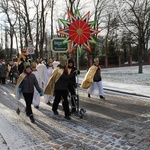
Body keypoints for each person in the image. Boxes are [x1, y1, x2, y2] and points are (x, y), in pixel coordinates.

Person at [44, 55, 79, 120]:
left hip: (64, 88)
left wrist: (75, 72)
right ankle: (54, 109)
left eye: (66, 61)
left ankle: (67, 114)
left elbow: (70, 72)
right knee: (57, 100)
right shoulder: (58, 70)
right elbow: (66, 77)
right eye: (64, 61)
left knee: (65, 101)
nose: (65, 63)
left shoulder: (65, 69)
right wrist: (73, 73)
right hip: (58, 88)